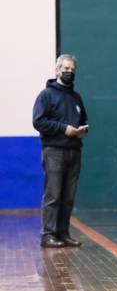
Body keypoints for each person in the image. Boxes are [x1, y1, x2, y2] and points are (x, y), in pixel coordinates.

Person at [32, 54, 88, 248]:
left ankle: (63, 234)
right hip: (54, 151)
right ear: (57, 70)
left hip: (74, 151)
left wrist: (82, 131)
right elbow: (38, 121)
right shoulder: (46, 95)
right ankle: (47, 235)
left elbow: (83, 121)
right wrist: (63, 128)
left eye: (72, 69)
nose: (69, 72)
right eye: (65, 69)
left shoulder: (76, 97)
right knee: (53, 195)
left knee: (68, 196)